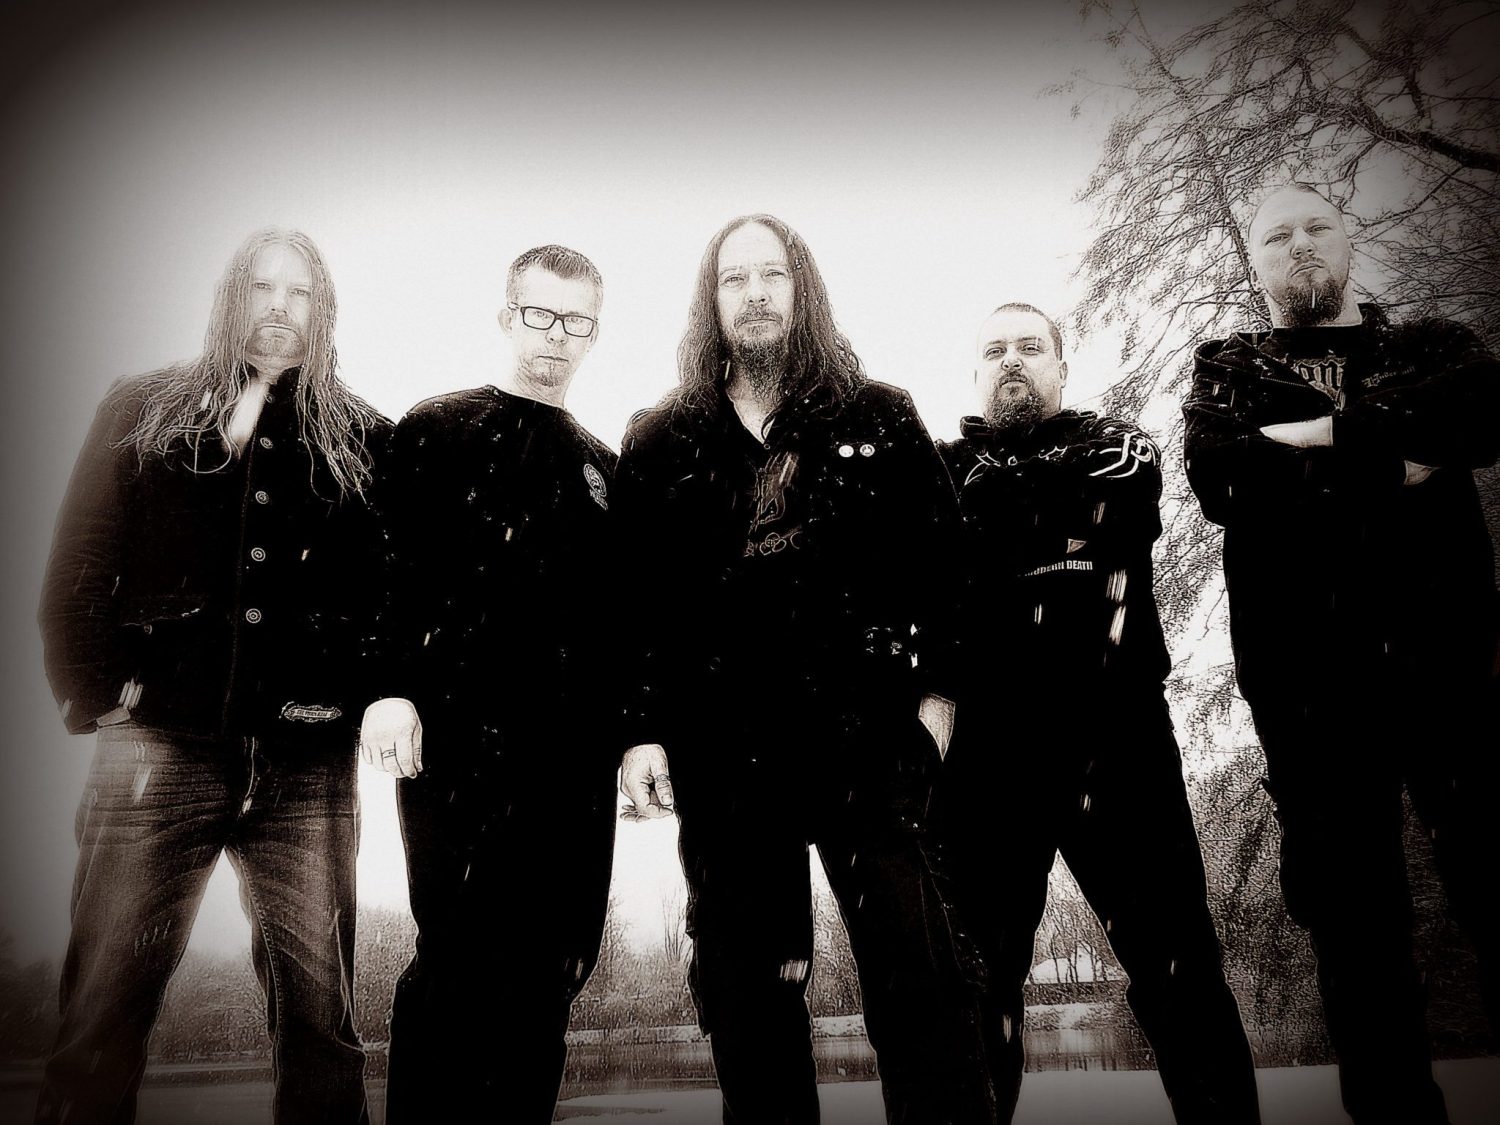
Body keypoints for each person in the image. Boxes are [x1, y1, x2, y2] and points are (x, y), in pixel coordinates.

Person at [613, 214, 995, 1124]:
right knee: (748, 997)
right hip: (726, 757)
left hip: (869, 741)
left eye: (772, 274)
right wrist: (639, 730)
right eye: (734, 278)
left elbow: (951, 570)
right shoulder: (663, 438)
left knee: (921, 979)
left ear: (802, 289)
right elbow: (633, 603)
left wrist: (939, 697)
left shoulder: (878, 414)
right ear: (710, 302)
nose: (755, 293)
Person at [36, 228, 385, 1124]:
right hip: (159, 746)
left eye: (300, 292)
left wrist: (348, 698)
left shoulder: (362, 436)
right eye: (263, 287)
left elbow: (386, 597)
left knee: (322, 1025)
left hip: (307, 765)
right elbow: (80, 558)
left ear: (324, 310)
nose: (280, 306)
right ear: (233, 297)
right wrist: (97, 694)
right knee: (102, 1011)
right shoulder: (144, 408)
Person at [1184, 183, 1500, 1125]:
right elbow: (1224, 475)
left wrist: (1319, 438)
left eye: (1317, 226)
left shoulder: (1429, 344)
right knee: (1358, 937)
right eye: (1277, 235)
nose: (1300, 245)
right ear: (1256, 261)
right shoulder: (1229, 365)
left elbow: (1482, 416)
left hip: (1453, 669)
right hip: (1309, 694)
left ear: (1349, 240)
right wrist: (1398, 457)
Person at [936, 302, 1261, 1125]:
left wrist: (994, 528)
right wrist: (1053, 521)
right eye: (995, 349)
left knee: (1179, 964)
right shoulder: (938, 466)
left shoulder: (1118, 442)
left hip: (1117, 736)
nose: (1012, 360)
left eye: (1030, 346)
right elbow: (922, 563)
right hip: (985, 753)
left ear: (1061, 367)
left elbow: (1123, 503)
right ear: (974, 373)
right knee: (976, 985)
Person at [361, 245, 618, 1122]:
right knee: (458, 958)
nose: (556, 335)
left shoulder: (602, 466)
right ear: (507, 316)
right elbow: (386, 565)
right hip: (458, 748)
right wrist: (388, 686)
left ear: (595, 333)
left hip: (572, 765)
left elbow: (621, 624)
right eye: (539, 314)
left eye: (576, 320)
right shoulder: (437, 427)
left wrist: (633, 737)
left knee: (554, 968)